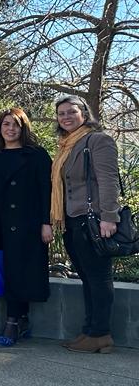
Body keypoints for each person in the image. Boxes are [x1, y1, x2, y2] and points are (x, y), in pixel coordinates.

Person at [51, 95, 120, 354]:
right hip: (73, 220)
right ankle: (90, 330)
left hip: (93, 221)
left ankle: (101, 333)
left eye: (72, 111)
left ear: (84, 113)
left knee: (99, 278)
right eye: (61, 113)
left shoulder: (97, 140)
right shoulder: (67, 145)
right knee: (88, 279)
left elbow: (109, 180)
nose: (66, 117)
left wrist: (109, 217)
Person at [0, 108, 53, 347]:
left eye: (15, 125)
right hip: (0, 223)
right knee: (9, 272)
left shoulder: (37, 155)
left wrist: (47, 223)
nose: (10, 129)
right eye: (6, 125)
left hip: (29, 223)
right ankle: (19, 319)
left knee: (24, 272)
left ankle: (13, 321)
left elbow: (47, 191)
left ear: (23, 128)